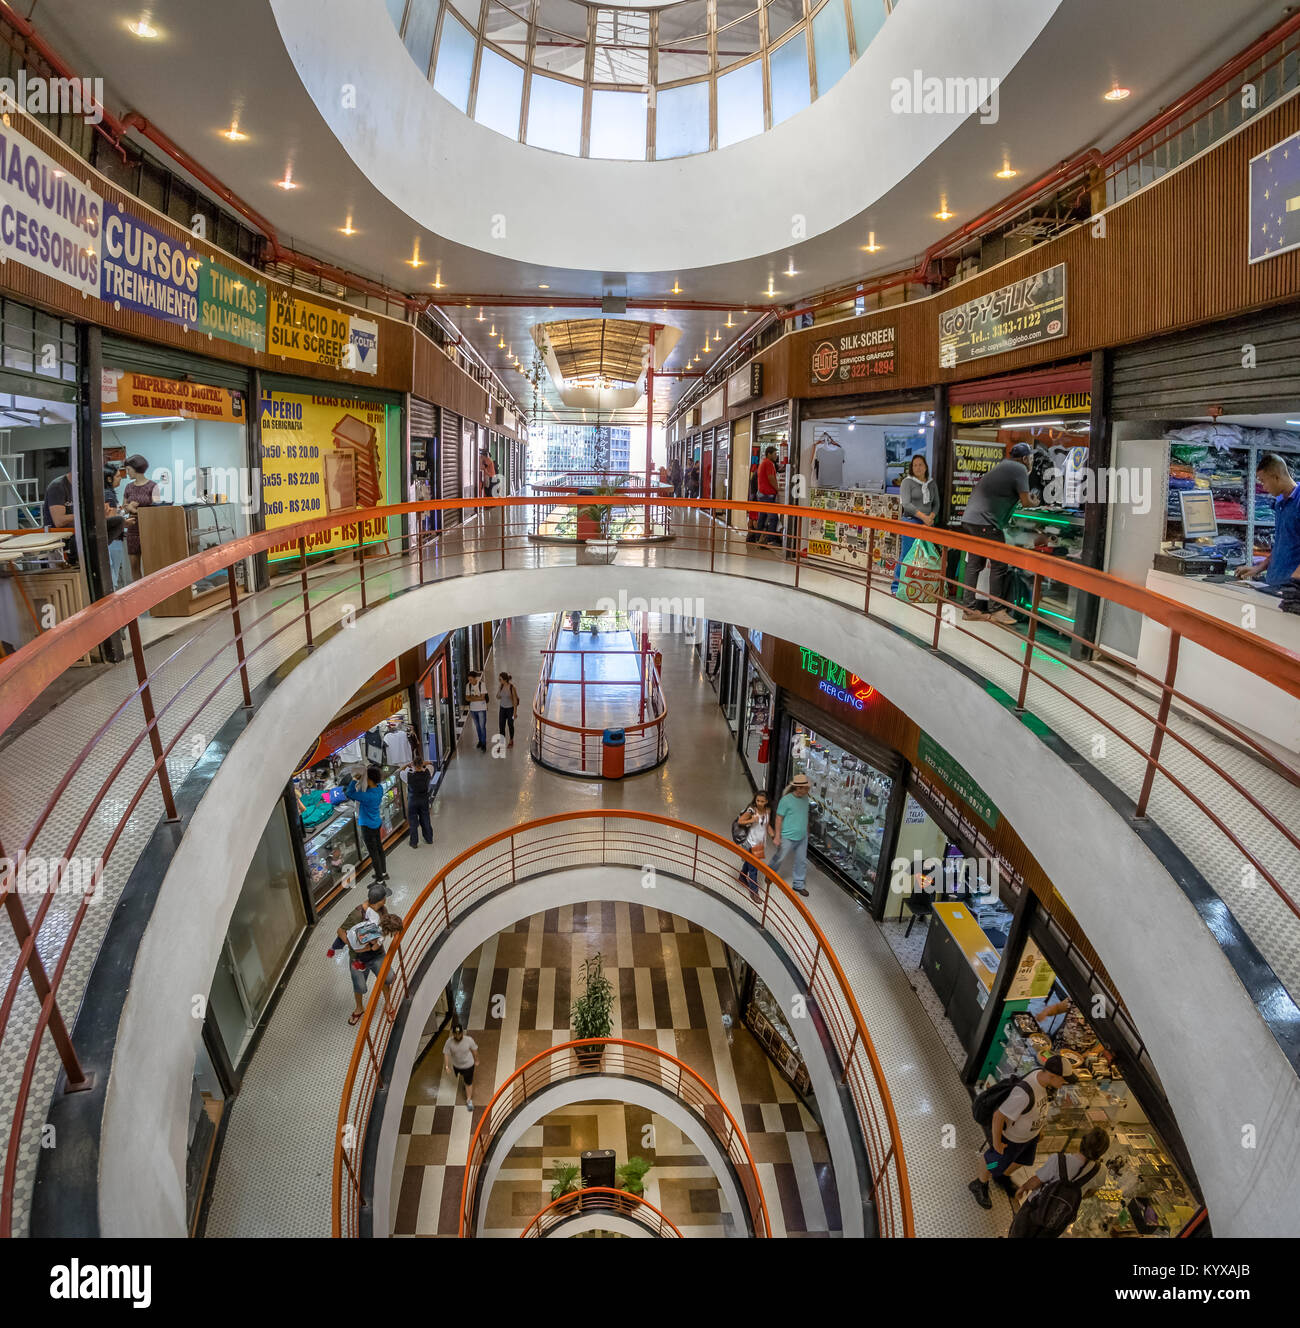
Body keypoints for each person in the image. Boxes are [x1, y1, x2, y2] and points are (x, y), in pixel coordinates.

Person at [969, 1053, 1076, 1210]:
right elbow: (998, 1117)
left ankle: (1002, 1175)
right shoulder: (1023, 1094)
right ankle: (980, 1183)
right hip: (1011, 1140)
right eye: (1064, 1079)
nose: (1065, 1083)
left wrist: (1039, 1128)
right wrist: (998, 1144)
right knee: (992, 1162)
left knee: (1023, 1161)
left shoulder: (1045, 1081)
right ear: (1052, 1076)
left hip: (1028, 1138)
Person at [959, 442, 1040, 625]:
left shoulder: (1004, 465)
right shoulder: (1019, 468)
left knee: (974, 564)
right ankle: (997, 610)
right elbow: (1026, 501)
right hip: (986, 522)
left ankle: (969, 609)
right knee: (999, 564)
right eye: (1031, 458)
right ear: (1026, 458)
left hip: (971, 519)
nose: (1031, 462)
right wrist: (1035, 501)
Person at [1010, 1127, 1109, 1238]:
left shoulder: (1058, 1160)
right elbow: (1090, 1193)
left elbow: (1036, 1181)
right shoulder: (1101, 1171)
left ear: (1083, 1141)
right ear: (1101, 1153)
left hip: (1035, 1209)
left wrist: (1023, 1188)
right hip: (1058, 1218)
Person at [327, 883, 403, 1024]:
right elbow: (340, 931)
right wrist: (355, 947)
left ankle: (388, 1004)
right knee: (359, 986)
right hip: (358, 958)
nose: (386, 900)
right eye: (385, 897)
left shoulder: (382, 910)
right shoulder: (356, 914)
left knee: (387, 978)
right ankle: (359, 1008)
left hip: (377, 954)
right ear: (380, 900)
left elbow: (385, 926)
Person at [1235, 452, 1300, 587]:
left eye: (1264, 481)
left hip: (1292, 589)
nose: (1263, 487)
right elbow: (1281, 546)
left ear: (1276, 477)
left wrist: (1294, 583)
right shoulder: (1280, 503)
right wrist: (1257, 568)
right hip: (1275, 584)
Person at [893, 453, 939, 593]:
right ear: (912, 468)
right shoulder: (907, 482)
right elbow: (906, 504)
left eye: (920, 465)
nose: (918, 468)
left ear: (925, 467)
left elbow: (936, 504)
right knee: (907, 554)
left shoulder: (931, 483)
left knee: (925, 556)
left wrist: (930, 517)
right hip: (911, 521)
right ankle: (897, 586)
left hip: (928, 524)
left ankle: (918, 586)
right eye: (915, 465)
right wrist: (923, 517)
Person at [344, 764, 390, 887]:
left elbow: (350, 793)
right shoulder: (379, 789)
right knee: (379, 848)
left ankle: (380, 880)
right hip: (376, 823)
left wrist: (355, 780)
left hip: (367, 826)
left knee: (373, 852)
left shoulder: (367, 796)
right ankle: (383, 872)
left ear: (369, 780)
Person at [769, 772, 811, 897]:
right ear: (798, 788)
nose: (808, 789)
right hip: (787, 836)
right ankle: (770, 873)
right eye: (806, 788)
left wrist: (807, 829)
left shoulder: (806, 799)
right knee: (780, 857)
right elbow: (778, 818)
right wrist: (777, 836)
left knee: (801, 861)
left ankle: (798, 884)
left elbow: (805, 814)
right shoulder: (786, 800)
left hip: (802, 836)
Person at [121, 455, 160, 582]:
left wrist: (134, 510)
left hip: (149, 529)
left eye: (128, 470)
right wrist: (128, 508)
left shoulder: (153, 486)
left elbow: (157, 511)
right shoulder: (128, 487)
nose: (127, 473)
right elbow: (123, 509)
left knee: (150, 564)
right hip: (132, 530)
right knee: (134, 565)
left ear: (135, 468)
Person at [736, 792, 771, 893]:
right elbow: (740, 821)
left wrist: (773, 835)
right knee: (754, 869)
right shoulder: (752, 810)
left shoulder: (768, 810)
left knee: (750, 863)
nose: (759, 803)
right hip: (751, 843)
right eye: (757, 800)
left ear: (767, 802)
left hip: (760, 844)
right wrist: (751, 819)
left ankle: (742, 877)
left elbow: (766, 826)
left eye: (762, 801)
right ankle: (754, 891)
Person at [444, 1022, 480, 1111]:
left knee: (468, 1083)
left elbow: (474, 1050)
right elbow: (446, 1053)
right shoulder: (449, 1042)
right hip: (457, 1065)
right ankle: (465, 1083)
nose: (457, 1036)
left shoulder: (469, 1040)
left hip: (468, 1065)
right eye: (455, 1034)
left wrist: (476, 1060)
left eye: (459, 1034)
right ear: (453, 1034)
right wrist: (447, 1066)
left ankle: (469, 1100)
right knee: (463, 1078)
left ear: (462, 1033)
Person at [401, 753, 434, 849]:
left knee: (413, 821)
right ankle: (429, 838)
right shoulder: (428, 772)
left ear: (413, 765)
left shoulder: (408, 775)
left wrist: (408, 765)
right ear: (422, 764)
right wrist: (424, 763)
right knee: (426, 818)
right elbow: (431, 764)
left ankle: (414, 842)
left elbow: (400, 770)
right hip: (424, 800)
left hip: (412, 800)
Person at [755, 445, 781, 548]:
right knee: (773, 517)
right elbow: (771, 478)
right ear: (769, 454)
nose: (776, 456)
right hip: (767, 495)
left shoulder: (763, 463)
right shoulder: (769, 463)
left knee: (762, 516)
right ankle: (770, 540)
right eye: (775, 454)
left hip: (761, 493)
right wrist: (777, 489)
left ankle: (758, 538)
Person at [465, 671, 489, 750]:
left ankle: (483, 743)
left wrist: (472, 698)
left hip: (481, 709)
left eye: (471, 679)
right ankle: (480, 741)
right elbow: (467, 698)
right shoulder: (468, 686)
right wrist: (477, 697)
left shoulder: (482, 684)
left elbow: (483, 697)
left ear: (475, 678)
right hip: (473, 709)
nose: (470, 681)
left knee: (482, 727)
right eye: (469, 680)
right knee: (477, 727)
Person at [497, 670, 520, 748]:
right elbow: (498, 697)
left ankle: (511, 740)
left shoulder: (512, 688)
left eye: (500, 679)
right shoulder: (501, 686)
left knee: (510, 725)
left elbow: (515, 701)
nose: (499, 681)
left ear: (505, 679)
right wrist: (499, 690)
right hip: (502, 709)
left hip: (510, 709)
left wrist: (515, 712)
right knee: (501, 726)